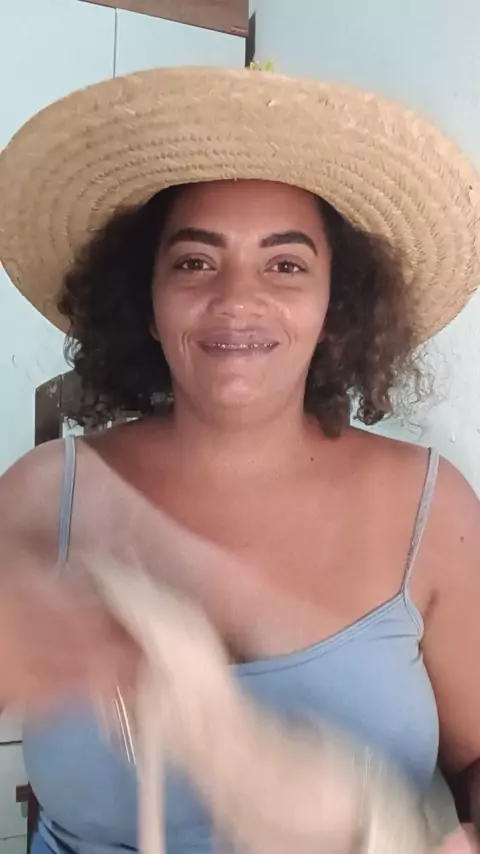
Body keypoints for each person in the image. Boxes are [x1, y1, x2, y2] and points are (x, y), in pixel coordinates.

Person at [0, 66, 479, 854]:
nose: (237, 300)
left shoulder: (435, 507)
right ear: (146, 303)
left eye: (285, 265)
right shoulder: (47, 494)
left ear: (335, 308)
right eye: (195, 262)